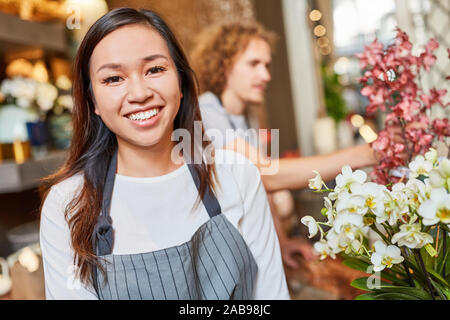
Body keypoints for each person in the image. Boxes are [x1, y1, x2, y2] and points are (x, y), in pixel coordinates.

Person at [39, 8, 289, 300]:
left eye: (154, 69)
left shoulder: (237, 175)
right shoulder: (67, 206)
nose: (139, 93)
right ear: (92, 99)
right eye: (113, 79)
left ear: (181, 82)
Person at [190, 22, 379, 269]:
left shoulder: (247, 116)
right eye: (254, 64)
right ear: (225, 65)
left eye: (266, 65)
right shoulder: (206, 109)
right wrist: (362, 154)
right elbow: (267, 175)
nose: (266, 75)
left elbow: (258, 186)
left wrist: (282, 242)